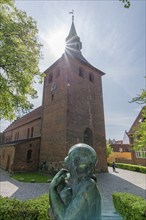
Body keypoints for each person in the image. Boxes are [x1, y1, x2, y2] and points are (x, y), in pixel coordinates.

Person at [49, 143, 101, 220]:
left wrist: (52, 189)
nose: (90, 170)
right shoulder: (66, 180)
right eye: (76, 160)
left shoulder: (89, 185)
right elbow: (52, 211)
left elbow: (65, 218)